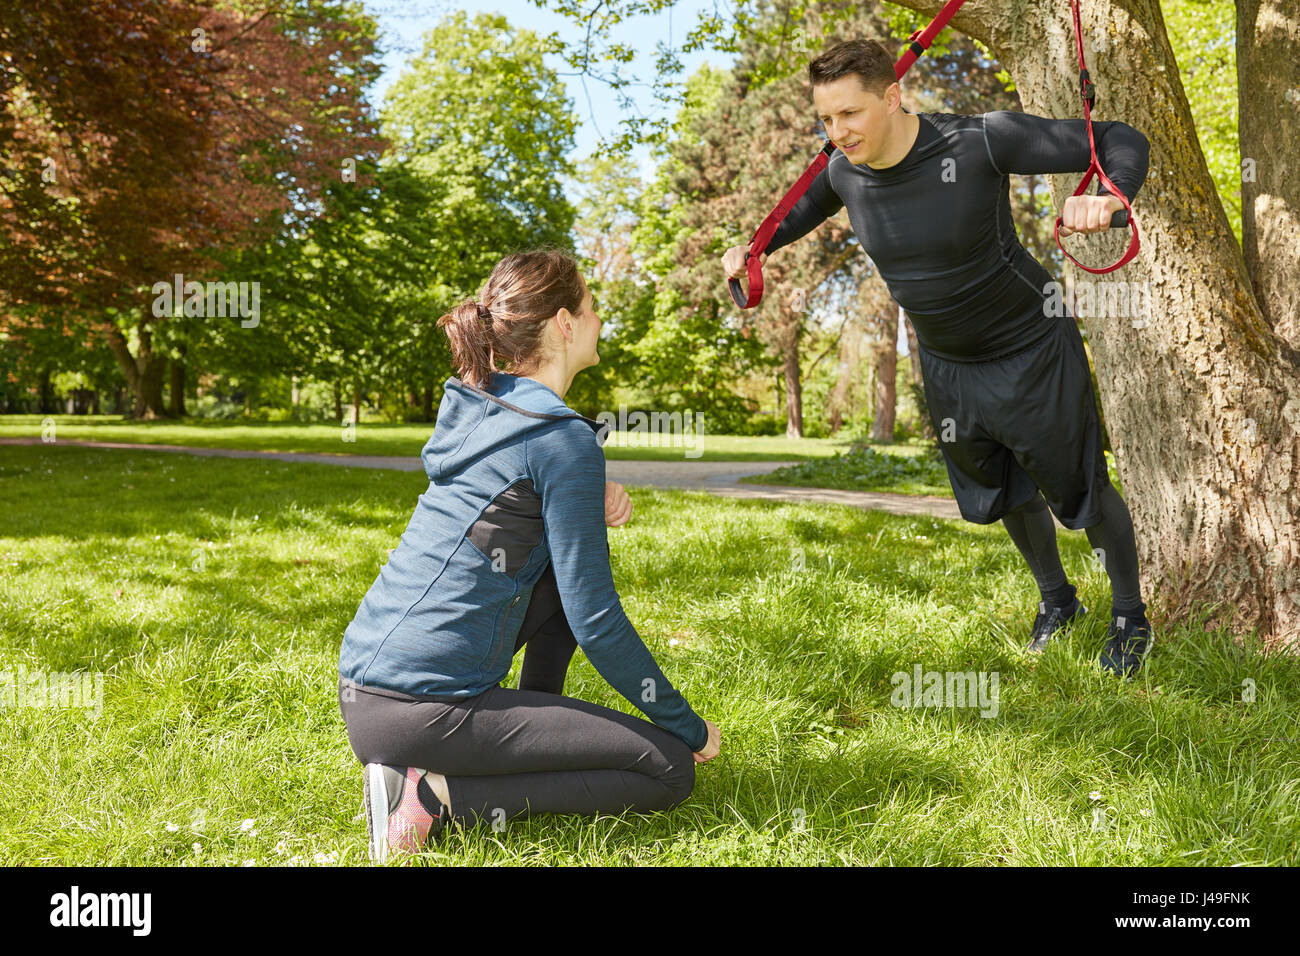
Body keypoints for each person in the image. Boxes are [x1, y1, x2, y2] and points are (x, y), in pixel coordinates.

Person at [723, 38, 1154, 676]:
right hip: (948, 362)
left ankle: (1129, 617)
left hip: (1031, 347)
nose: (837, 133)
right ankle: (1058, 601)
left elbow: (1116, 136)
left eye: (850, 113)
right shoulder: (842, 172)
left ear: (892, 96)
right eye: (827, 119)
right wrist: (754, 248)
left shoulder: (980, 141)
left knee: (1080, 490)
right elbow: (798, 212)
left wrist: (1112, 194)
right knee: (1004, 493)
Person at [338, 249, 721, 861]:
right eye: (592, 308)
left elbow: (515, 510)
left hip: (366, 688)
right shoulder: (562, 439)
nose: (599, 322)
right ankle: (432, 796)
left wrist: (583, 493)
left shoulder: (486, 405)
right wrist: (687, 725)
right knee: (670, 767)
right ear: (565, 323)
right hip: (426, 711)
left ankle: (521, 728)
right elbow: (597, 620)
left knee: (561, 577)